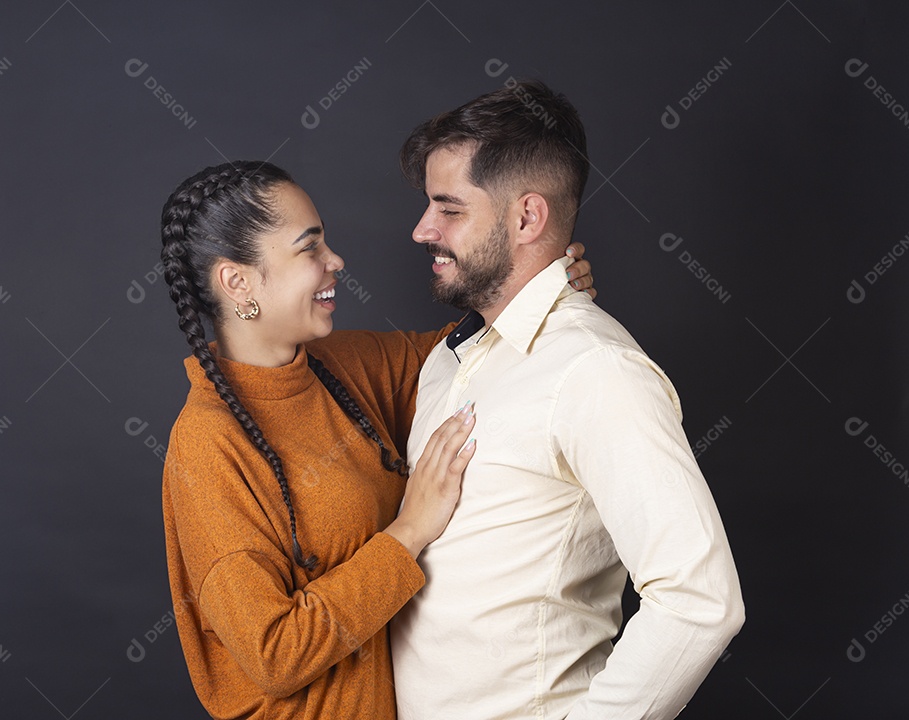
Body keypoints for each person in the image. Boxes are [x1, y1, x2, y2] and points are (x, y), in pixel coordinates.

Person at [158, 160, 594, 719]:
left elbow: (469, 349)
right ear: (238, 282)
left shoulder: (339, 368)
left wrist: (542, 287)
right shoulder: (207, 444)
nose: (334, 261)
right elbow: (275, 654)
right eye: (308, 248)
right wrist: (409, 530)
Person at [389, 80, 745, 720]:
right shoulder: (447, 361)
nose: (422, 230)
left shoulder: (596, 371)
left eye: (449, 208)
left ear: (527, 217)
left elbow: (700, 601)